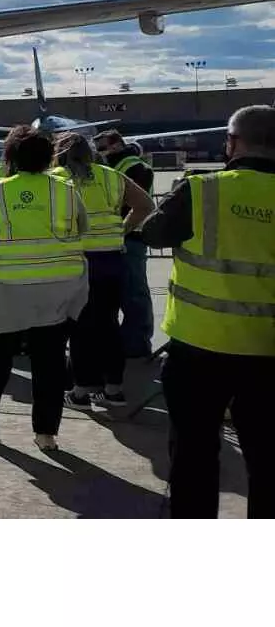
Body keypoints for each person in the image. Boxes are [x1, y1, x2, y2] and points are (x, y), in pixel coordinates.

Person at [138, 105, 275, 518]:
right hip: (268, 353)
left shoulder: (201, 190)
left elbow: (152, 234)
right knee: (267, 461)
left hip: (199, 348)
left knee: (194, 457)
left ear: (231, 143)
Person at [0, 125, 91, 452]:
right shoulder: (66, 190)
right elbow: (83, 226)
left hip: (7, 289)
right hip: (57, 290)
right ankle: (46, 433)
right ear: (49, 158)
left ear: (10, 157)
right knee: (50, 363)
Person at [53, 132, 154, 409]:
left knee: (79, 328)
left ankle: (82, 389)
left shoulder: (56, 179)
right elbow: (146, 205)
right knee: (108, 324)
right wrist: (122, 229)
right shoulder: (111, 176)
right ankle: (113, 389)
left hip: (75, 261)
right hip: (111, 260)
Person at [95, 130, 159, 358]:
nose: (100, 153)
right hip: (113, 241)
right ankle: (125, 342)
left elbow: (135, 206)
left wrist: (120, 230)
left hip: (130, 239)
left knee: (134, 294)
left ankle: (137, 344)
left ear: (117, 145)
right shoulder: (114, 168)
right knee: (118, 295)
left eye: (102, 148)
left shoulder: (134, 167)